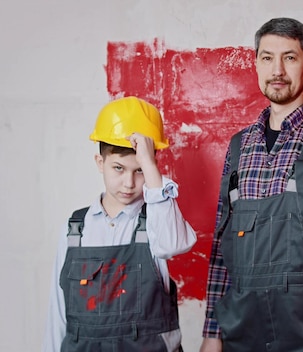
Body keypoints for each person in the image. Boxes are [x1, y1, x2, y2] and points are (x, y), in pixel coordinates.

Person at [199, 17, 303, 352]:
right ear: (256, 64)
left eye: (289, 57)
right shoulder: (239, 147)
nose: (277, 69)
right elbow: (222, 252)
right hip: (241, 337)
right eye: (267, 57)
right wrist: (211, 333)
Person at [42, 96, 197, 352]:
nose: (129, 183)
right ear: (99, 163)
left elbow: (172, 244)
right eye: (118, 168)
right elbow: (57, 315)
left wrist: (150, 166)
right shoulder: (75, 231)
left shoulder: (158, 220)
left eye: (139, 171)